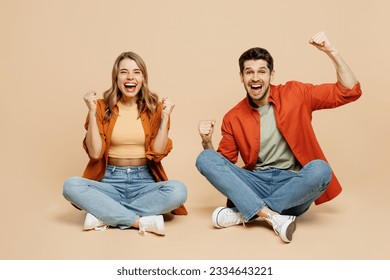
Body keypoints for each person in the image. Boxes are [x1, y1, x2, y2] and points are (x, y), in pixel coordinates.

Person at [195, 31, 362, 243]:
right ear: (241, 77)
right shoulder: (233, 117)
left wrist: (332, 52)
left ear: (272, 75)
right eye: (249, 72)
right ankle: (272, 217)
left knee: (321, 169)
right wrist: (206, 141)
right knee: (205, 158)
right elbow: (223, 167)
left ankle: (245, 213)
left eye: (261, 71)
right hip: (255, 182)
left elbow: (348, 92)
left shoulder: (296, 93)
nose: (255, 78)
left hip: (294, 185)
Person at [63, 51, 187, 236]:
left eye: (137, 72)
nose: (130, 77)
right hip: (109, 181)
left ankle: (106, 215)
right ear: (116, 77)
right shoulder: (99, 107)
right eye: (124, 72)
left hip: (144, 183)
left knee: (178, 191)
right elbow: (96, 153)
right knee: (70, 186)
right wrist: (91, 112)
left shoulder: (156, 108)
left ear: (143, 77)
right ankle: (137, 221)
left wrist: (165, 117)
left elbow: (158, 152)